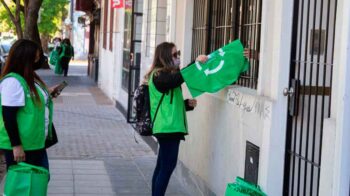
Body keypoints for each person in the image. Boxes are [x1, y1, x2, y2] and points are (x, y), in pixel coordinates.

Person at [145, 42, 208, 196]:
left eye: (177, 54)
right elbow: (176, 79)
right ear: (165, 56)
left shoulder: (164, 76)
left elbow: (169, 102)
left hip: (168, 126)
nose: (177, 58)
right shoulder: (160, 76)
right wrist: (195, 63)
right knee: (166, 168)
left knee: (162, 167)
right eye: (174, 55)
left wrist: (186, 104)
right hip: (168, 128)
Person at [0, 39, 58, 171]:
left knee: (39, 181)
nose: (38, 60)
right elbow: (8, 116)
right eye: (35, 56)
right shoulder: (13, 82)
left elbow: (29, 99)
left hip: (35, 143)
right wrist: (16, 146)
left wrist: (47, 94)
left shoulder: (29, 77)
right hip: (23, 146)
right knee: (23, 186)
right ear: (25, 58)